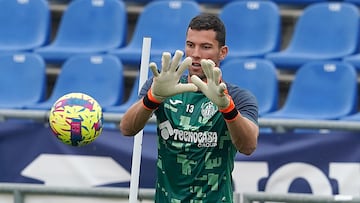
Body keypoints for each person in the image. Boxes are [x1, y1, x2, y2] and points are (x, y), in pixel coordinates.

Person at [120, 13, 259, 203]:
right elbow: (127, 128)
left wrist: (227, 108)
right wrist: (153, 97)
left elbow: (248, 146)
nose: (195, 54)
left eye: (206, 47)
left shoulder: (238, 97)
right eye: (190, 45)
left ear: (223, 52)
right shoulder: (163, 85)